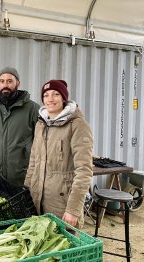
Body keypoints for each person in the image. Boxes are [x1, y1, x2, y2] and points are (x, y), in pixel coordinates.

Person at [24, 79, 93, 228]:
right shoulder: (40, 124)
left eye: (56, 94)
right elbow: (33, 162)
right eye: (46, 95)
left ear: (63, 98)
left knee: (64, 247)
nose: (50, 99)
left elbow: (84, 171)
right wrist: (26, 191)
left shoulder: (77, 125)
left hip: (62, 204)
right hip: (37, 200)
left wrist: (73, 209)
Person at [0, 67, 40, 186]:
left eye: (9, 81)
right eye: (2, 81)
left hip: (22, 176)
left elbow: (40, 140)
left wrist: (26, 155)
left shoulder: (32, 109)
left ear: (18, 83)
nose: (5, 85)